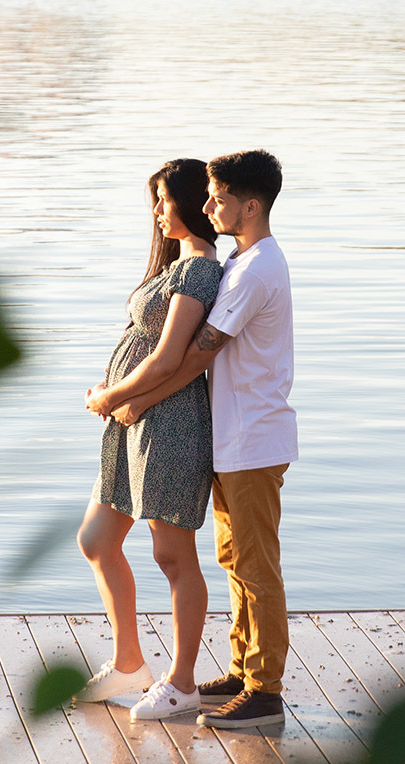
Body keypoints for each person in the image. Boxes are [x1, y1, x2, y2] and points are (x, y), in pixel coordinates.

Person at [109, 149, 297, 729]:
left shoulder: (259, 267)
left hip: (253, 440)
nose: (208, 206)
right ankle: (244, 670)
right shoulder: (242, 262)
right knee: (234, 557)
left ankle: (265, 690)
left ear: (252, 205)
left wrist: (136, 399)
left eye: (218, 198)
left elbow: (197, 355)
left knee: (257, 565)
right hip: (232, 438)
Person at [75, 158, 223, 721]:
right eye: (155, 202)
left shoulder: (200, 271)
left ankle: (182, 683)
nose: (158, 213)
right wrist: (115, 400)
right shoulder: (177, 266)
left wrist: (109, 397)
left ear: (190, 201)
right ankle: (130, 661)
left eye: (164, 200)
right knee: (96, 539)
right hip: (135, 423)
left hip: (171, 426)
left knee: (172, 554)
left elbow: (167, 358)